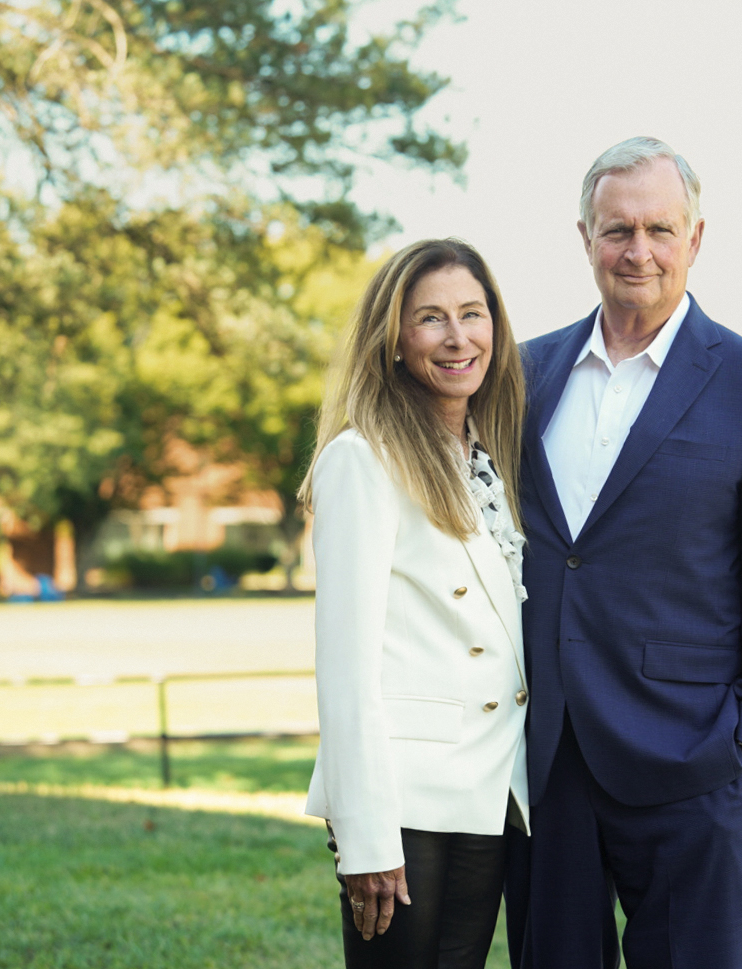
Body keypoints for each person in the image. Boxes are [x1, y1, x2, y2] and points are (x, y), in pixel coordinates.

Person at [510, 137, 742, 968]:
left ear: (696, 237)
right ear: (584, 239)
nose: (637, 250)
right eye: (617, 230)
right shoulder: (521, 374)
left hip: (695, 764)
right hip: (550, 765)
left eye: (658, 228)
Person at [298, 238, 530, 968]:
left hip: (490, 788)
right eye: (431, 318)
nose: (458, 337)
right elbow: (345, 670)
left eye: (472, 313)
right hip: (404, 803)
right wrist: (366, 836)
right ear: (395, 340)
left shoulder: (487, 457)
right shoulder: (361, 460)